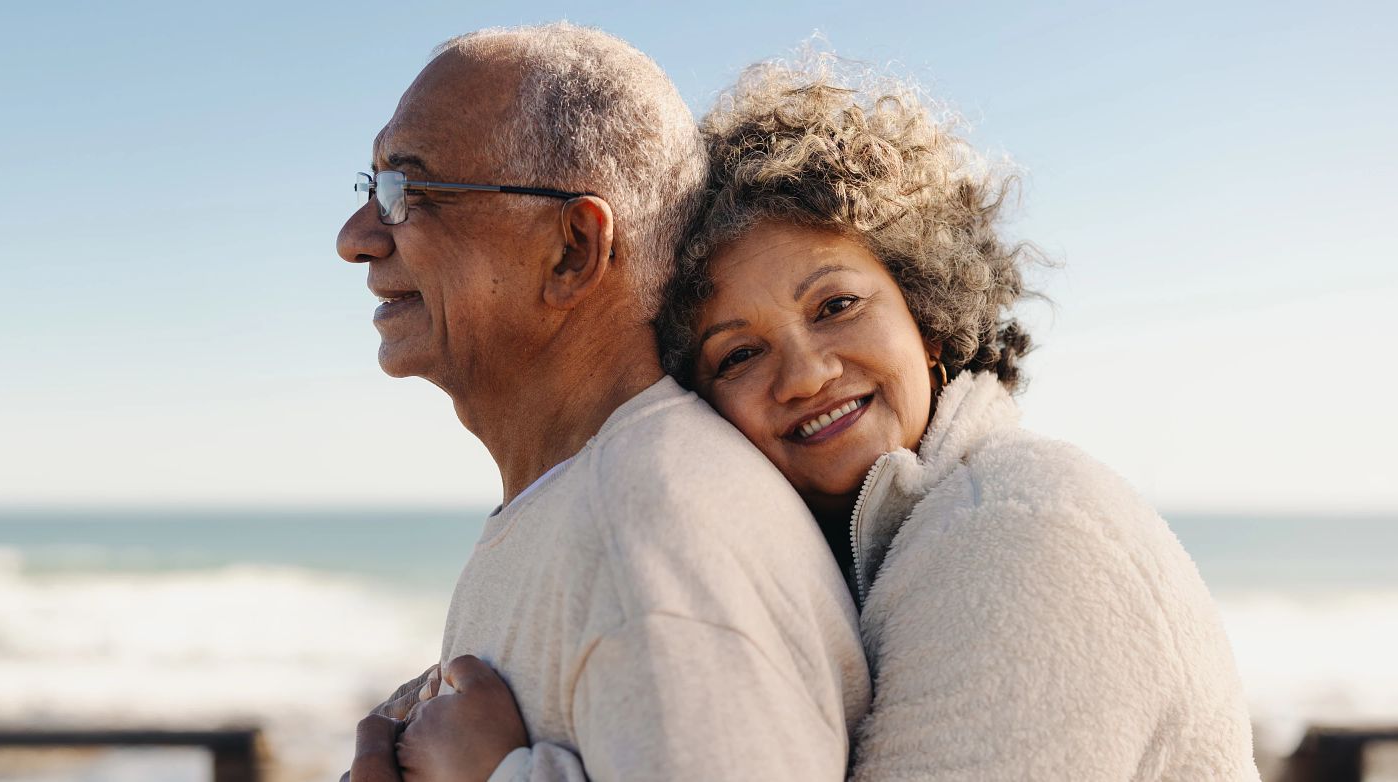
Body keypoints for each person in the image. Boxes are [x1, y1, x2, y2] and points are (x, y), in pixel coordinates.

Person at [415, 55, 1262, 780]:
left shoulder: (1014, 533)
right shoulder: (880, 543)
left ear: (927, 314)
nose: (806, 374)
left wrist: (496, 773)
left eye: (836, 305)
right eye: (736, 355)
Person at [334, 23, 870, 782]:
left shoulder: (650, 533)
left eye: (405, 189)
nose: (355, 238)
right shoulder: (598, 502)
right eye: (370, 187)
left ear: (573, 250)